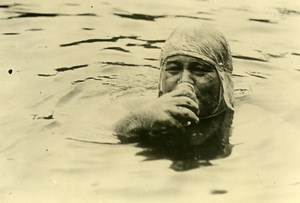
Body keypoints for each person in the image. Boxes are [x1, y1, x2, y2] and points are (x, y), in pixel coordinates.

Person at [113, 22, 234, 160]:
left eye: (199, 69)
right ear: (161, 78)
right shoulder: (137, 109)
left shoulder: (251, 116)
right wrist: (138, 120)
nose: (185, 81)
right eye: (173, 69)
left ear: (224, 80)